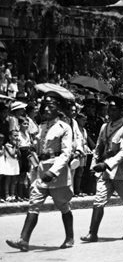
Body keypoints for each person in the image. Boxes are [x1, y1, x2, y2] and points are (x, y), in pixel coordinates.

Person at [6, 91, 75, 251]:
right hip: (41, 171)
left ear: (59, 109)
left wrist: (54, 172)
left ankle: (70, 237)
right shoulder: (41, 127)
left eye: (51, 106)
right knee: (34, 204)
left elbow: (66, 154)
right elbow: (37, 150)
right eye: (44, 106)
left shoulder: (64, 128)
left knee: (63, 206)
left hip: (57, 173)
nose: (46, 110)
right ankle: (24, 240)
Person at [80, 95, 123, 242]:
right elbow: (99, 147)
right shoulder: (105, 127)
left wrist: (106, 164)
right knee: (99, 200)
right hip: (105, 172)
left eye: (114, 110)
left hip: (121, 172)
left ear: (122, 111)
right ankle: (92, 233)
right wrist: (94, 165)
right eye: (109, 109)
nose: (110, 113)